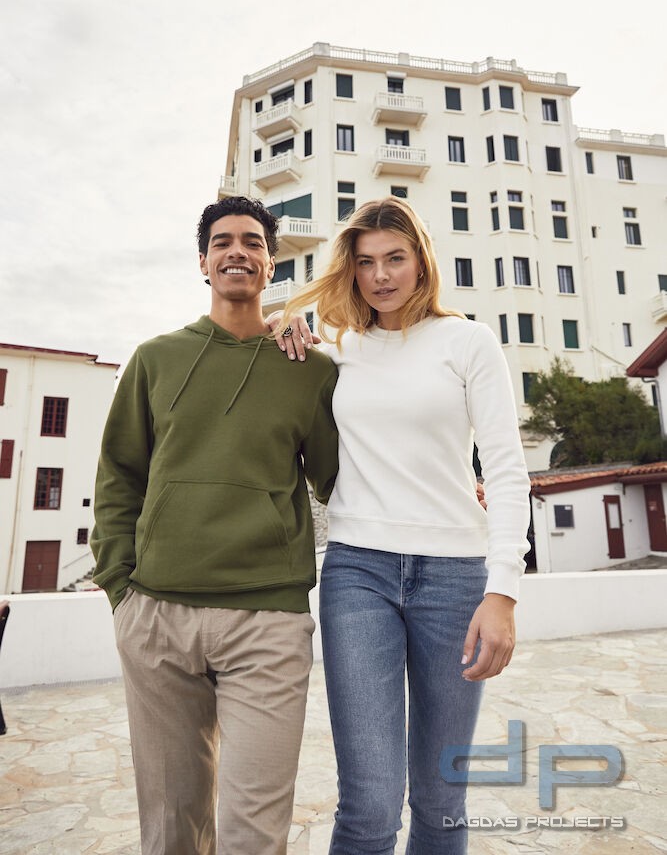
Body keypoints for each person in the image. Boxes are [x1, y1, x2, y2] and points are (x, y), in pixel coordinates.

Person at [275, 196, 530, 854]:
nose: (381, 275)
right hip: (357, 574)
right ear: (351, 271)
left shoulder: (469, 342)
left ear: (420, 260)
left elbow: (504, 468)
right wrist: (283, 329)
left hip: (455, 580)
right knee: (367, 808)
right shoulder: (337, 346)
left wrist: (501, 591)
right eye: (365, 263)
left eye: (395, 258)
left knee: (441, 802)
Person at [91, 196, 338, 855]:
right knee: (172, 829)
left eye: (253, 242)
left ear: (270, 263)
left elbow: (340, 479)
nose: (238, 251)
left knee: (253, 833)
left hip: (268, 621)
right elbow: (119, 477)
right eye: (223, 242)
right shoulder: (153, 360)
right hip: (158, 618)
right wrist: (122, 591)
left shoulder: (308, 369)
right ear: (202, 262)